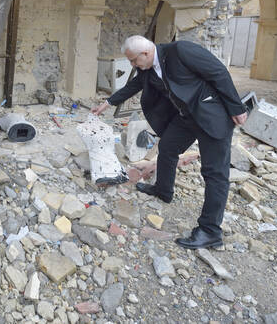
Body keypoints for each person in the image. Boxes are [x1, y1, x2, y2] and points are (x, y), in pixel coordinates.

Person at [92, 35, 248, 249]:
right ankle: (163, 190)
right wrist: (108, 103)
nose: (132, 65)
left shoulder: (181, 51)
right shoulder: (147, 68)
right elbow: (136, 84)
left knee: (215, 173)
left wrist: (237, 108)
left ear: (146, 54)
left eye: (133, 61)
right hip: (187, 117)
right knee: (166, 148)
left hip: (213, 115)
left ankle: (210, 231)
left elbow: (218, 72)